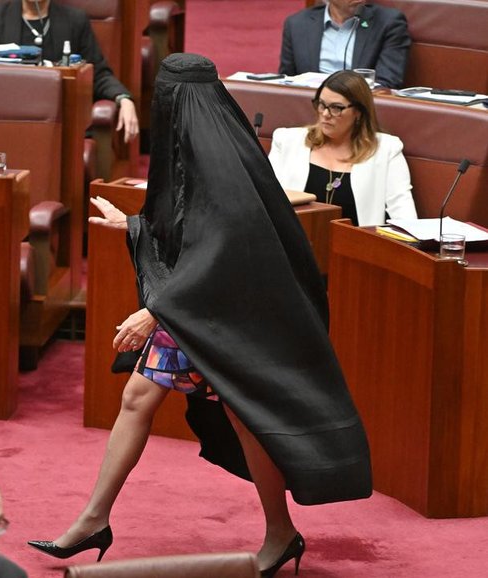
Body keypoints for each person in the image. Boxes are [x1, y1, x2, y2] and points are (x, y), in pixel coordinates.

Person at [27, 53, 372, 577]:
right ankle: (96, 519)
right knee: (150, 398)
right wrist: (134, 226)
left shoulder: (217, 156)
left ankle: (279, 531)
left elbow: (223, 248)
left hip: (226, 312)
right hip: (203, 308)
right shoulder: (204, 143)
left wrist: (155, 311)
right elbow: (188, 225)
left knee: (241, 414)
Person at [0, 0, 139, 144]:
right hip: (6, 120)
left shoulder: (75, 21)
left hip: (61, 123)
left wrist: (123, 99)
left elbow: (98, 73)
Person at [268, 69, 417, 226]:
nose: (325, 114)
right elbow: (267, 202)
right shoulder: (287, 141)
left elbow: (405, 218)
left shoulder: (386, 150)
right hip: (296, 247)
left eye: (336, 108)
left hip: (357, 247)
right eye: (321, 104)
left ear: (358, 112)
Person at [279, 0, 411, 89]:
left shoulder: (388, 23)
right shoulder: (297, 24)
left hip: (361, 112)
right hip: (309, 110)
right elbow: (286, 81)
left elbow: (387, 83)